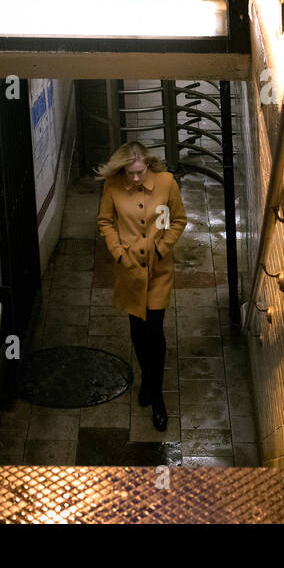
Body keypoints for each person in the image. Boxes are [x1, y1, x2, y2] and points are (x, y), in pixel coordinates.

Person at [97, 142, 188, 432]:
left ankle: (155, 393)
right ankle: (148, 381)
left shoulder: (166, 183)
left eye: (139, 172)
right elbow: (105, 222)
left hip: (159, 270)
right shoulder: (112, 186)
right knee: (137, 329)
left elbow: (179, 220)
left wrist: (162, 248)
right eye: (129, 172)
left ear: (147, 164)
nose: (135, 178)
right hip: (130, 272)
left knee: (155, 330)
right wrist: (119, 254)